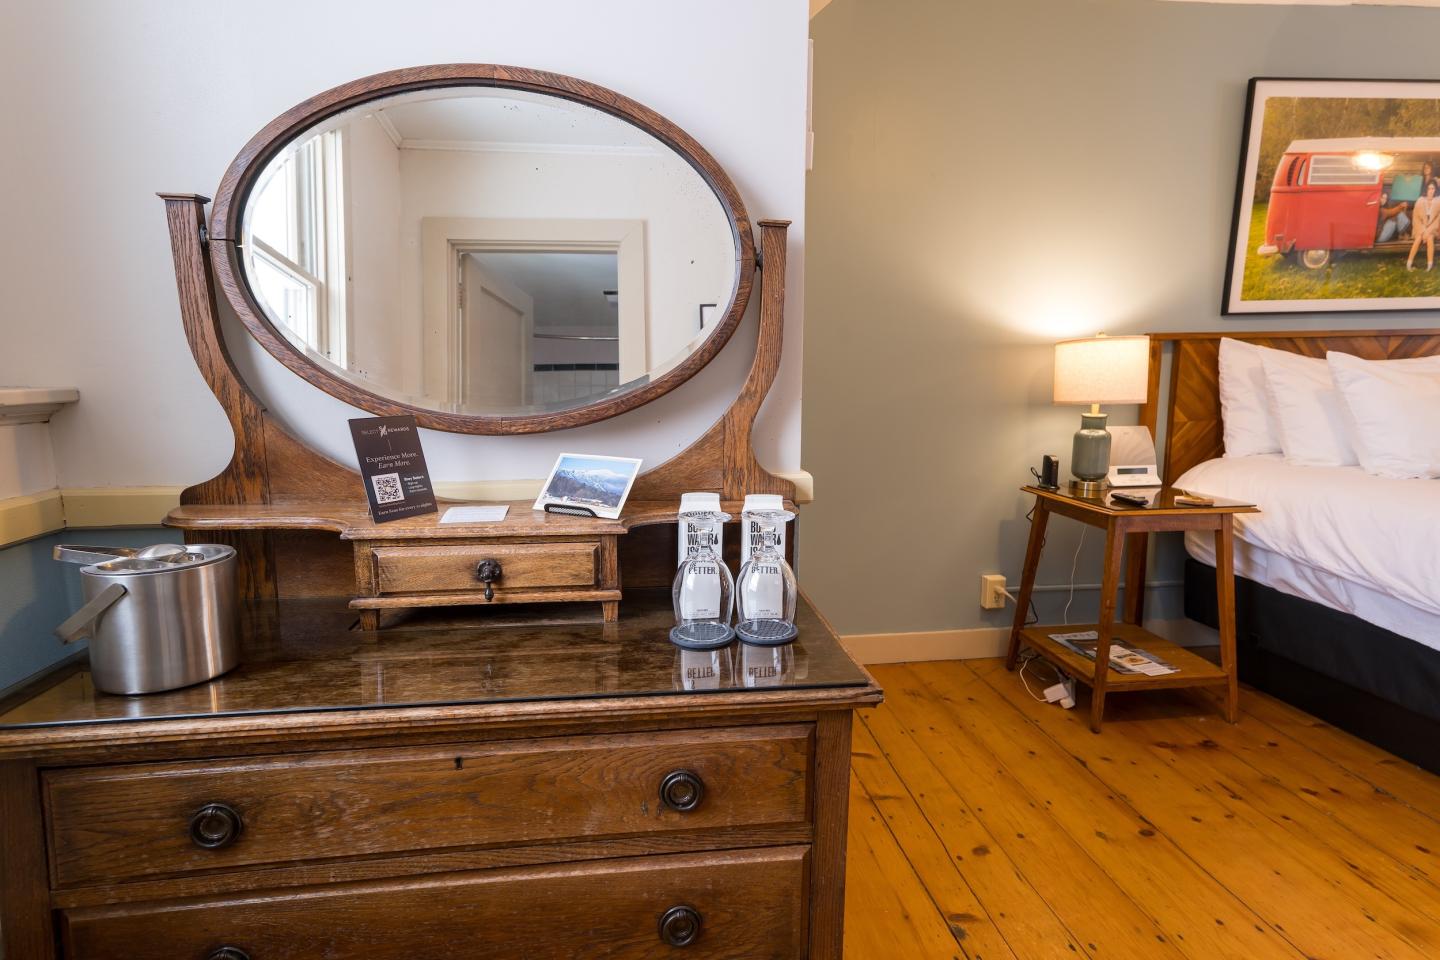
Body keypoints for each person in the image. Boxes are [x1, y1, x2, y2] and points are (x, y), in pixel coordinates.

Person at [1408, 180, 1440, 271]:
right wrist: (1423, 230)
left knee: (1430, 238)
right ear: (1426, 189)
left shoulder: (1438, 201)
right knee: (1418, 238)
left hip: (1433, 229)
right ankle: (1409, 264)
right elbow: (1416, 218)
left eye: (1433, 188)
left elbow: (1438, 220)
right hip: (1420, 227)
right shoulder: (1420, 200)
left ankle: (1429, 265)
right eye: (1429, 188)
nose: (1431, 191)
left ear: (1435, 190)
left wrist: (1428, 231)